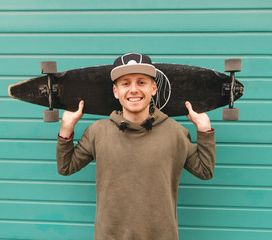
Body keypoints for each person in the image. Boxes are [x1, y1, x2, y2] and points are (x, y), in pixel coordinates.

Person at [56, 52, 216, 240]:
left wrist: (204, 129)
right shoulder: (97, 132)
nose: (133, 90)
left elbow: (205, 171)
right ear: (116, 92)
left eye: (141, 82)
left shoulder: (175, 132)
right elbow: (66, 167)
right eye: (125, 83)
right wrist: (67, 127)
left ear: (154, 88)